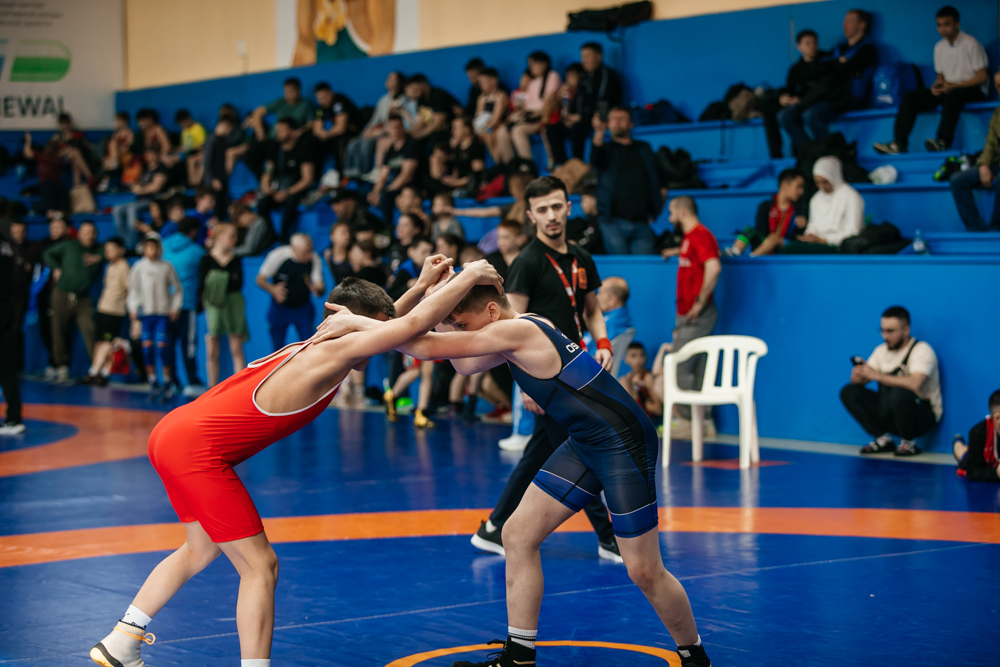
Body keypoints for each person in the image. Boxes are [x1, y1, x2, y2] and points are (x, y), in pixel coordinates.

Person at [88, 258, 503, 667]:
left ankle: (122, 640)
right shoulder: (336, 352)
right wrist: (469, 276)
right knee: (260, 566)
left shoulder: (317, 344)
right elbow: (405, 330)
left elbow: (389, 322)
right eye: (373, 325)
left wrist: (422, 285)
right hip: (195, 450)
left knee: (199, 549)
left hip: (172, 434)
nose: (379, 338)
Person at [311, 285, 712, 667]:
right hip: (588, 439)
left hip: (624, 440)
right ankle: (519, 655)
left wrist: (356, 323)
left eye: (462, 323)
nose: (459, 330)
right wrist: (442, 308)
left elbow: (423, 345)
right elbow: (461, 363)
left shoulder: (519, 330)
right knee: (517, 535)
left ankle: (694, 655)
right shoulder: (512, 329)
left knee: (643, 569)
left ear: (490, 311)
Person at [467, 176, 622, 563]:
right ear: (531, 215)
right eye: (542, 209)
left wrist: (602, 343)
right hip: (545, 376)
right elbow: (509, 326)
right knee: (584, 447)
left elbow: (591, 309)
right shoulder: (528, 262)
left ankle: (494, 528)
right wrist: (525, 384)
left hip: (575, 368)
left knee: (542, 451)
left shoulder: (582, 258)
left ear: (569, 208)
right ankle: (608, 537)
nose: (551, 215)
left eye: (557, 206)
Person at [873, 6, 988, 154]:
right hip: (950, 90)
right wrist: (936, 87)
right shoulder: (939, 47)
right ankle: (898, 144)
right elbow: (941, 77)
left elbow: (982, 77)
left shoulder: (971, 43)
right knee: (910, 97)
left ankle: (943, 141)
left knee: (953, 96)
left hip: (973, 90)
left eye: (947, 24)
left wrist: (954, 86)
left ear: (957, 24)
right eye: (939, 25)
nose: (943, 29)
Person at [840, 306, 942, 456]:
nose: (885, 336)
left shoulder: (922, 350)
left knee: (899, 393)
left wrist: (877, 376)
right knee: (849, 391)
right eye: (883, 330)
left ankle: (909, 443)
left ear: (906, 330)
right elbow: (864, 378)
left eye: (891, 331)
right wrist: (858, 377)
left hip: (921, 418)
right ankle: (883, 440)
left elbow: (915, 383)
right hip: (891, 415)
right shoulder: (881, 351)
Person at [664, 196, 721, 435]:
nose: (670, 219)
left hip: (697, 313)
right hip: (687, 313)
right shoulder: (690, 239)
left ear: (683, 212)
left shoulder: (700, 235)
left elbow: (714, 266)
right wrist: (675, 251)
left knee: (679, 365)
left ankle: (690, 422)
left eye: (672, 213)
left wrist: (699, 302)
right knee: (697, 369)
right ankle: (703, 423)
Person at [591, 106, 663, 254]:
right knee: (620, 272)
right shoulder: (606, 149)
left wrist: (655, 211)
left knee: (642, 272)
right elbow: (595, 159)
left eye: (622, 119)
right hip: (612, 223)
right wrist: (599, 133)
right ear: (608, 123)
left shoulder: (644, 148)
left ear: (631, 124)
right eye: (613, 119)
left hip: (642, 223)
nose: (617, 122)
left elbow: (660, 183)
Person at [42, 220, 104, 383]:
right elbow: (47, 253)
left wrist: (99, 257)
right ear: (79, 234)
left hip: (83, 298)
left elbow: (115, 250)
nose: (88, 236)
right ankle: (62, 367)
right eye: (85, 232)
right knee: (58, 330)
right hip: (61, 293)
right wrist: (56, 267)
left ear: (96, 235)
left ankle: (96, 370)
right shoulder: (69, 246)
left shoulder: (99, 249)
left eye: (92, 232)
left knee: (90, 330)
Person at [772, 30, 846, 154]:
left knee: (810, 115)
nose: (812, 46)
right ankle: (810, 152)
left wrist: (801, 101)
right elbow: (790, 89)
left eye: (815, 43)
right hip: (805, 102)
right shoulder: (796, 68)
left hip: (827, 101)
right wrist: (783, 97)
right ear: (799, 46)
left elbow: (826, 87)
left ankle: (827, 152)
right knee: (784, 116)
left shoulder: (828, 60)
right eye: (808, 43)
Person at [128, 234, 184, 401]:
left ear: (159, 249)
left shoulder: (166, 267)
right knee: (147, 349)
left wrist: (175, 307)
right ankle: (153, 382)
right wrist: (133, 308)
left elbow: (178, 289)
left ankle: (167, 382)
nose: (152, 251)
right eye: (148, 247)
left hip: (162, 315)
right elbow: (134, 290)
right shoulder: (138, 267)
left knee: (162, 348)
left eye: (155, 247)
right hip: (146, 315)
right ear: (144, 249)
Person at [256, 234, 325, 351]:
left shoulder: (314, 258)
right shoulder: (278, 256)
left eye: (310, 250)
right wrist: (273, 289)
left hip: (303, 308)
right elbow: (260, 279)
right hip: (280, 308)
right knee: (277, 348)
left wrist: (317, 288)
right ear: (293, 249)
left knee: (309, 346)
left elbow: (319, 286)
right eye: (304, 252)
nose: (308, 255)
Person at [199, 223, 248, 388]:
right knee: (212, 349)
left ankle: (238, 388)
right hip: (214, 307)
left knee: (236, 347)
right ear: (219, 237)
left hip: (234, 305)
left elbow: (238, 283)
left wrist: (216, 278)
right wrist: (228, 277)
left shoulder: (236, 259)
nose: (234, 240)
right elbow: (204, 285)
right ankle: (211, 387)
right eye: (231, 236)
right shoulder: (206, 260)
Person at [949, 73, 1000, 231]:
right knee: (958, 180)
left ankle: (996, 229)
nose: (999, 90)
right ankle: (975, 229)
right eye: (998, 86)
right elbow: (990, 144)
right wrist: (984, 165)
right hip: (997, 163)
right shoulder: (998, 113)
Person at [163, 217, 208, 395]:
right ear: (193, 231)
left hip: (164, 304)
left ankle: (172, 381)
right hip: (186, 303)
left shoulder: (164, 245)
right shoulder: (197, 251)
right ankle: (192, 381)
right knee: (188, 345)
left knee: (167, 343)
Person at [783, 157, 864, 253]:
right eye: (817, 182)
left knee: (790, 250)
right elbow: (812, 225)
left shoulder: (851, 197)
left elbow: (853, 232)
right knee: (788, 248)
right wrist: (810, 235)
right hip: (816, 243)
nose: (821, 186)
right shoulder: (816, 198)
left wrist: (825, 240)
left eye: (824, 182)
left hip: (839, 245)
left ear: (833, 177)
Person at [495, 52, 562, 163]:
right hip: (528, 116)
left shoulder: (552, 75)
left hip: (543, 117)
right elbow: (526, 105)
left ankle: (527, 167)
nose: (532, 68)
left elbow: (548, 101)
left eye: (534, 64)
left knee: (518, 131)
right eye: (530, 65)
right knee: (502, 132)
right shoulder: (532, 82)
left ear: (544, 64)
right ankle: (512, 168)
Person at [257, 118, 317, 243]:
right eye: (277, 130)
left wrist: (287, 192)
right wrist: (266, 186)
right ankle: (271, 235)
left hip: (296, 189)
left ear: (293, 132)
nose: (279, 133)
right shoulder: (275, 150)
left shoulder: (303, 149)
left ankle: (285, 238)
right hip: (278, 188)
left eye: (282, 130)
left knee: (291, 202)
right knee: (262, 203)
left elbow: (307, 179)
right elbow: (268, 172)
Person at [725, 168, 807, 256]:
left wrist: (803, 224)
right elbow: (760, 230)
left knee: (774, 238)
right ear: (785, 184)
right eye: (798, 186)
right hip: (766, 242)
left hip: (785, 243)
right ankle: (735, 251)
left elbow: (800, 235)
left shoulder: (800, 209)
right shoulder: (766, 206)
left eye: (802, 187)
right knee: (748, 230)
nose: (801, 191)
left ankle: (752, 258)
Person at [82, 237, 130, 387]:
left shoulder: (124, 267)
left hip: (114, 311)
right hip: (104, 307)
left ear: (121, 250)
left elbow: (129, 289)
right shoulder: (110, 266)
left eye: (111, 249)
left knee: (107, 342)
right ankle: (96, 371)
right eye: (106, 250)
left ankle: (100, 373)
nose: (108, 253)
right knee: (100, 341)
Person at [343, 71, 406, 178]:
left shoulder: (404, 100)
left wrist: (380, 131)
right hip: (379, 130)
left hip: (390, 131)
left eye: (393, 79)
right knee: (353, 143)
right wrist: (367, 131)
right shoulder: (383, 100)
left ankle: (363, 172)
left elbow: (400, 123)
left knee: (366, 144)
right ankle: (349, 173)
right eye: (389, 79)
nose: (390, 82)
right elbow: (375, 120)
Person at [112, 147, 170, 250]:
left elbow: (156, 187)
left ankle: (131, 243)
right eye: (147, 154)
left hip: (153, 199)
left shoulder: (162, 168)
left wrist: (141, 189)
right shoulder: (145, 168)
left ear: (157, 155)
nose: (150, 157)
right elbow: (138, 181)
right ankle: (121, 240)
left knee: (131, 209)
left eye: (152, 154)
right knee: (117, 208)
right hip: (140, 199)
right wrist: (135, 186)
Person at [368, 114, 419, 225]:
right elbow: (383, 175)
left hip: (410, 185)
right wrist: (375, 192)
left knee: (385, 196)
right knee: (367, 196)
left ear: (403, 128)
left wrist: (387, 190)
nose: (395, 130)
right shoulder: (391, 150)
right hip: (395, 187)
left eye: (398, 127)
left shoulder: (411, 144)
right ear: (388, 129)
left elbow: (407, 175)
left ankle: (389, 227)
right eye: (392, 127)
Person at [0, 226, 26, 434]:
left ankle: (14, 418)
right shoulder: (8, 245)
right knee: (7, 369)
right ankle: (14, 418)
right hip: (9, 309)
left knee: (7, 369)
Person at [829, 9, 878, 110]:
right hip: (833, 93)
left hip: (852, 97)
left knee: (812, 114)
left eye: (850, 21)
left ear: (862, 25)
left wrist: (839, 66)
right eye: (844, 21)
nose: (845, 25)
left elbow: (845, 68)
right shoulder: (838, 47)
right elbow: (823, 66)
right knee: (792, 113)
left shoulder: (867, 49)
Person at [312, 81, 362, 169]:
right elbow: (317, 129)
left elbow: (341, 128)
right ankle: (316, 177)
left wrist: (326, 134)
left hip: (355, 131)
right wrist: (322, 134)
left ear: (331, 93)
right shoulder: (320, 109)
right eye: (319, 99)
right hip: (334, 133)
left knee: (338, 140)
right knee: (313, 141)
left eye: (325, 97)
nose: (323, 101)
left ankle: (341, 175)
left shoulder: (339, 102)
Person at [954, 390, 1000, 482]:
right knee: (964, 456)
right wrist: (996, 473)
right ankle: (957, 442)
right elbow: (972, 472)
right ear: (997, 418)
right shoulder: (978, 433)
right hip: (983, 460)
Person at [473, 67, 510, 163]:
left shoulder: (501, 95)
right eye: (480, 83)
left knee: (491, 134)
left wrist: (487, 127)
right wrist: (480, 128)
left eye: (484, 82)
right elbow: (478, 117)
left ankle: (499, 162)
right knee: (485, 134)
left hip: (500, 124)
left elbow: (496, 118)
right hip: (487, 127)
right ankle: (497, 162)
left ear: (494, 81)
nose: (481, 85)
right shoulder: (481, 98)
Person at [620, 342, 662, 419]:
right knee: (622, 380)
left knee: (623, 381)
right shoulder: (629, 377)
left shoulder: (647, 377)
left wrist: (642, 398)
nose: (638, 359)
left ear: (645, 358)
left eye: (641, 355)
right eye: (633, 356)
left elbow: (658, 409)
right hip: (631, 414)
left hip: (644, 418)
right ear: (626, 359)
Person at [566, 184, 604, 255]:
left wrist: (575, 245)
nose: (582, 204)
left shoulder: (600, 223)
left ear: (594, 199)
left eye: (584, 200)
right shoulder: (585, 221)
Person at [175, 109, 207, 186]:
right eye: (180, 124)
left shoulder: (198, 128)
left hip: (199, 153)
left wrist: (191, 148)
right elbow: (183, 145)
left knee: (192, 160)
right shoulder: (184, 131)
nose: (182, 126)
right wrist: (178, 149)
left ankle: (195, 183)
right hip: (188, 153)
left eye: (183, 123)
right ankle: (190, 184)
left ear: (188, 119)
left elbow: (203, 146)